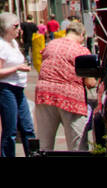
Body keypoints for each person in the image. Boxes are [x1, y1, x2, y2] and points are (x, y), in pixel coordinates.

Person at [35, 18, 97, 152]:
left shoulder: (50, 44)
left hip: (44, 94)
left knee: (44, 145)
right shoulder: (81, 51)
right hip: (70, 98)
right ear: (82, 35)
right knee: (77, 145)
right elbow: (90, 82)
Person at [0, 11, 37, 157]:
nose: (19, 29)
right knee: (10, 129)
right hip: (6, 88)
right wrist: (17, 68)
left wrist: (22, 65)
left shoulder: (13, 43)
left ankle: (32, 154)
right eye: (16, 26)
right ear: (7, 28)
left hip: (18, 88)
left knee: (27, 127)